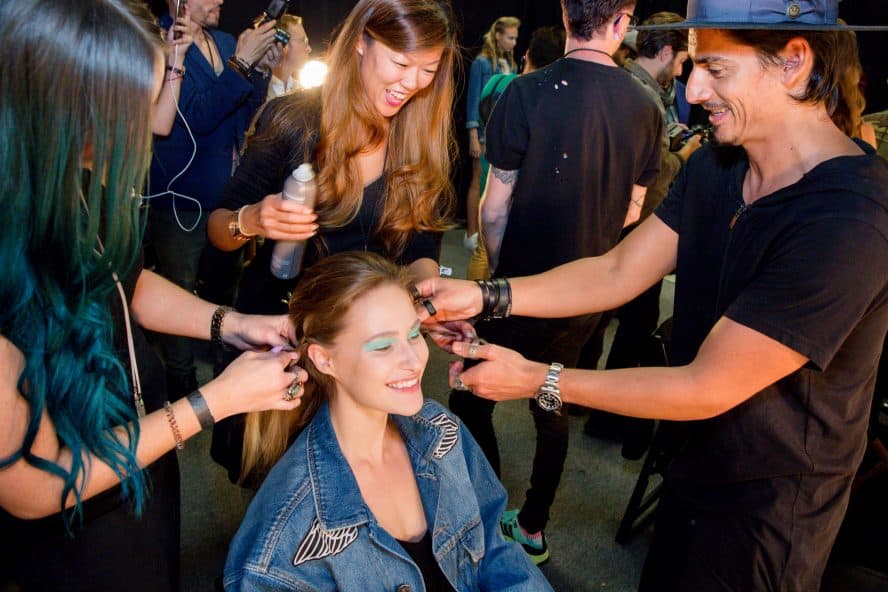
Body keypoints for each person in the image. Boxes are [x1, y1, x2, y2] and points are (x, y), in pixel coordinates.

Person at [418, 1, 888, 589]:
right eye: (693, 66)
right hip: (690, 463)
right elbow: (617, 271)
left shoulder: (850, 218)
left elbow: (706, 384)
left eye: (715, 68)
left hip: (768, 510)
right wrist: (488, 295)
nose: (693, 88)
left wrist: (538, 378)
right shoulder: (716, 168)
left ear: (793, 62)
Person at [0, 1, 307, 590]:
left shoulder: (75, 181)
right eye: (129, 114)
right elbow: (31, 485)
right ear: (62, 111)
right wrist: (212, 402)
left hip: (137, 453)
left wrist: (232, 323)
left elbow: (126, 281)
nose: (147, 132)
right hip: (71, 520)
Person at [206, 0, 458, 485]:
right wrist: (256, 220)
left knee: (349, 481)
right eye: (401, 63)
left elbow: (421, 248)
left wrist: (428, 296)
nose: (412, 82)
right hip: (286, 336)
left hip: (365, 350)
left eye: (429, 69)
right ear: (361, 41)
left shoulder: (418, 135)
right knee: (279, 481)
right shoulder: (295, 120)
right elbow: (219, 230)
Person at [452, 0, 662, 565]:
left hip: (518, 285)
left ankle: (486, 511)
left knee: (471, 393)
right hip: (590, 290)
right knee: (552, 397)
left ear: (567, 16)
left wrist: (498, 277)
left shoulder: (524, 92)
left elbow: (494, 209)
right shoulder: (648, 107)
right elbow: (629, 215)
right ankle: (535, 526)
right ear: (623, 21)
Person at [223, 251, 552, 591]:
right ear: (324, 360)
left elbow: (495, 549)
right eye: (382, 347)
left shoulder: (443, 430)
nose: (414, 360)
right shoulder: (284, 538)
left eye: (413, 335)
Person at [147, 0, 283, 399]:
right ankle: (181, 386)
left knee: (224, 293)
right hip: (179, 198)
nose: (221, 0)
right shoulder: (163, 39)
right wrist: (241, 65)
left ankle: (228, 379)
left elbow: (244, 116)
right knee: (178, 294)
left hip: (225, 199)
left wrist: (257, 71)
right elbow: (195, 116)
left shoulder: (224, 42)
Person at [466, 25, 567, 281]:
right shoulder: (549, 97)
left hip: (490, 176)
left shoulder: (496, 82)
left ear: (528, 54)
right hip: (526, 189)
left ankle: (473, 312)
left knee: (482, 252)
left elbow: (481, 117)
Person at [463, 16, 520, 252]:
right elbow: (474, 99)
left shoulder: (513, 65)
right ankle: (472, 233)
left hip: (503, 134)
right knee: (478, 181)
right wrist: (473, 135)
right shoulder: (482, 63)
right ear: (498, 35)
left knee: (496, 185)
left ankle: (489, 235)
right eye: (510, 37)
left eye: (516, 37)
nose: (515, 42)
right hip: (484, 134)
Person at [267, 14, 313, 99]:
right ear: (281, 43)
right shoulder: (258, 93)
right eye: (304, 41)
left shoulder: (301, 92)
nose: (309, 49)